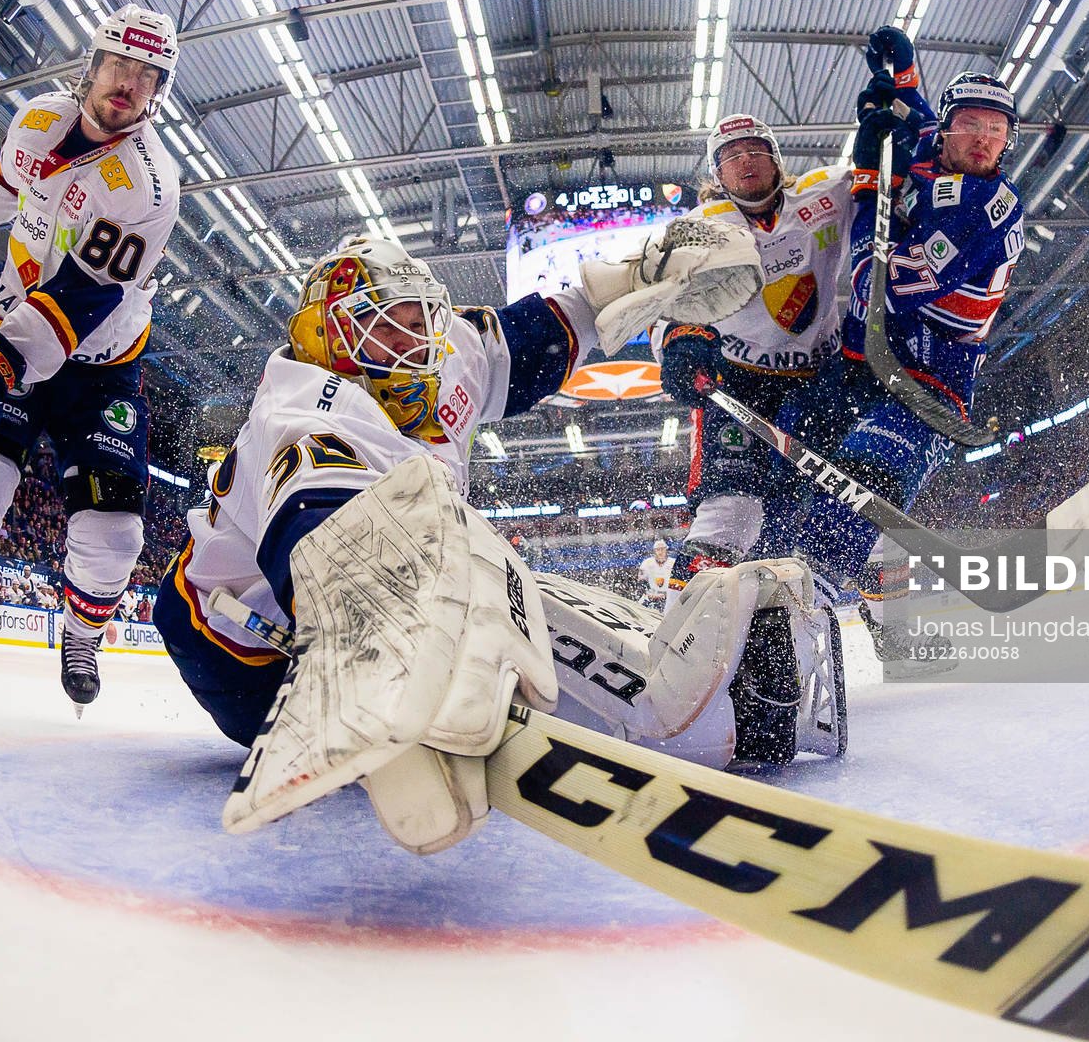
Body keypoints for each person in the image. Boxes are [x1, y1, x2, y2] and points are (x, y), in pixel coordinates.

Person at [161, 234, 848, 851]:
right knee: (475, 592)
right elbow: (329, 552)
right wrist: (383, 697)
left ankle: (702, 673)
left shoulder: (434, 354)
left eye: (420, 317)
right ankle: (693, 719)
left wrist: (631, 274)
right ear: (328, 340)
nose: (416, 341)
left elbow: (523, 344)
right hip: (246, 656)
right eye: (387, 324)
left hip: (353, 591)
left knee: (497, 577)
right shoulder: (310, 416)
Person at [0, 6, 183, 719]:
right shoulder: (39, 121)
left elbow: (81, 301)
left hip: (98, 364)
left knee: (115, 536)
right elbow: (2, 182)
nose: (129, 85)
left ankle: (82, 639)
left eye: (148, 76)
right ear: (91, 64)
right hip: (20, 327)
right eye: (119, 66)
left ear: (159, 90)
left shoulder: (150, 185)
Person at [789, 28, 1027, 653]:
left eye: (997, 131)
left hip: (931, 369)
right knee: (796, 461)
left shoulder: (990, 204)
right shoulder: (927, 139)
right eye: (972, 123)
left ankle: (805, 596)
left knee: (870, 469)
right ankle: (856, 599)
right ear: (948, 127)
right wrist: (902, 69)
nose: (983, 139)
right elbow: (913, 109)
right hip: (862, 350)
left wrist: (870, 183)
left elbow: (886, 284)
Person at [651, 113, 850, 596]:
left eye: (755, 150)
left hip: (821, 379)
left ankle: (891, 625)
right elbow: (657, 304)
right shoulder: (695, 230)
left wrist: (895, 122)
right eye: (730, 155)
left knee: (855, 497)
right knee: (731, 509)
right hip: (737, 382)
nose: (745, 160)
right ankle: (682, 629)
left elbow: (886, 172)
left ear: (776, 160)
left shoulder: (826, 192)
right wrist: (680, 344)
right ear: (716, 175)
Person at [638, 538, 673, 606]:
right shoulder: (647, 563)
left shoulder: (673, 562)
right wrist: (648, 593)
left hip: (668, 596)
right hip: (651, 595)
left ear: (666, 550)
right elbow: (641, 582)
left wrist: (667, 595)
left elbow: (677, 582)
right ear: (654, 551)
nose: (660, 552)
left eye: (662, 549)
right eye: (658, 549)